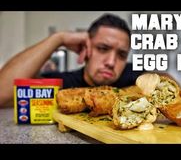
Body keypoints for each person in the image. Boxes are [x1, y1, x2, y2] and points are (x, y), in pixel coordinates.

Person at [0, 13, 145, 107]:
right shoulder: (63, 83)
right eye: (102, 48)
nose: (111, 62)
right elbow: (2, 93)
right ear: (86, 48)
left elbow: (164, 81)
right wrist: (58, 38)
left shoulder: (132, 76)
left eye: (122, 55)